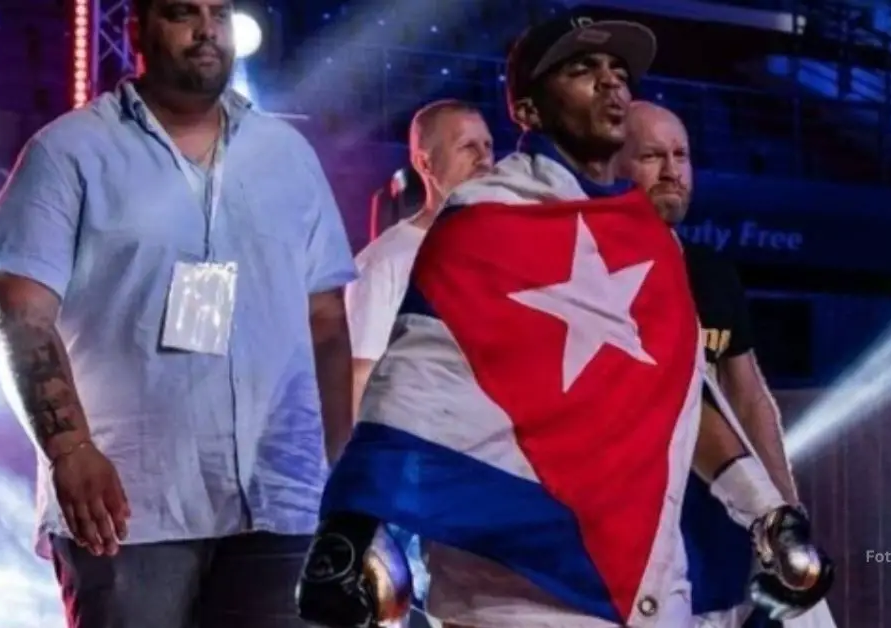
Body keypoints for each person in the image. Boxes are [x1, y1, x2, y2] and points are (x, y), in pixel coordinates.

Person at [298, 15, 832, 628]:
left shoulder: (656, 245)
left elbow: (681, 396)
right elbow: (415, 383)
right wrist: (349, 526)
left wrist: (768, 513)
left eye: (619, 72)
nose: (611, 84)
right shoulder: (485, 217)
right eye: (582, 70)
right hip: (512, 591)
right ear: (526, 110)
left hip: (648, 583)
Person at [0, 0, 355, 626]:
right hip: (129, 502)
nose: (208, 29)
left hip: (280, 500)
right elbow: (18, 310)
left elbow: (327, 321)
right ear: (136, 31)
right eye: (183, 12)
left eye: (220, 13)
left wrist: (343, 471)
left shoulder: (287, 154)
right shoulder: (71, 150)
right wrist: (70, 449)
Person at [618, 102, 836, 627]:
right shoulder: (598, 272)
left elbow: (748, 395)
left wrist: (786, 510)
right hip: (633, 531)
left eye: (681, 155)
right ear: (614, 168)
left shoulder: (711, 273)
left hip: (722, 520)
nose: (672, 170)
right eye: (652, 156)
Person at [347, 100, 494, 415]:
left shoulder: (510, 246)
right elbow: (361, 377)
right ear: (425, 165)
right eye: (468, 146)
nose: (485, 159)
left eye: (488, 145)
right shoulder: (385, 261)